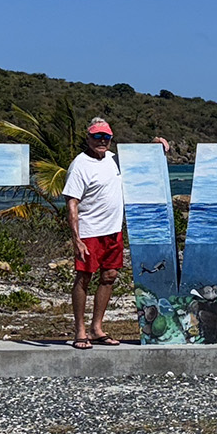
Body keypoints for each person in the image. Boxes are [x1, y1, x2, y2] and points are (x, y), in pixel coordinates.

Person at [64, 120, 169, 350]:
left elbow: (139, 157)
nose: (102, 140)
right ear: (88, 137)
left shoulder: (113, 159)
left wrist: (155, 144)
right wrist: (77, 238)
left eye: (106, 137)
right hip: (90, 231)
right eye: (97, 136)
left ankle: (97, 327)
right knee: (84, 278)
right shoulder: (80, 165)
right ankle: (80, 330)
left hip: (113, 231)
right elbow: (72, 202)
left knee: (109, 276)